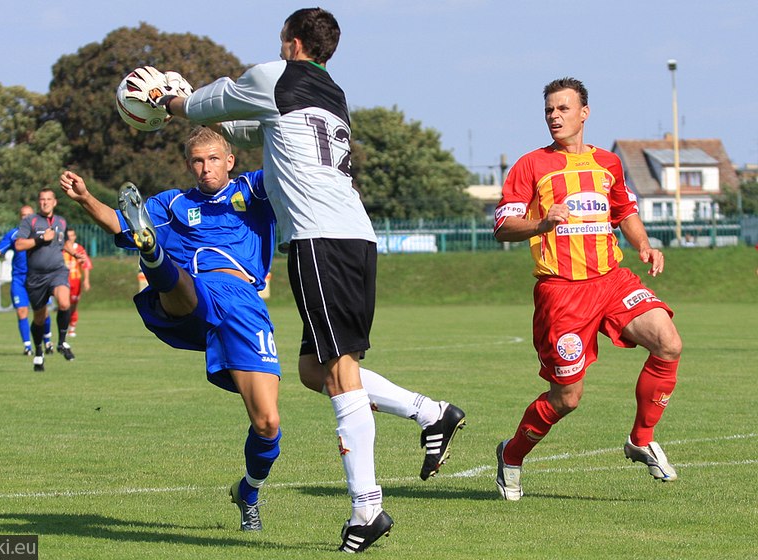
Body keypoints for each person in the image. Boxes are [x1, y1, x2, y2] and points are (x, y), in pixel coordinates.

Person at [123, 8, 465, 552]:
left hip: (319, 239)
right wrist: (188, 106)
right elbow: (245, 126)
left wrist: (168, 97)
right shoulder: (332, 94)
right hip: (354, 235)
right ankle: (432, 412)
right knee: (314, 370)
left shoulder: (271, 77)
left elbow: (197, 107)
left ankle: (366, 509)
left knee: (340, 369)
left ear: (292, 42)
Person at [60, 126, 281, 533]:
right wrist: (86, 198)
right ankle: (153, 252)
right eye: (197, 160)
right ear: (187, 165)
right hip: (193, 292)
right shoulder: (171, 203)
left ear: (230, 160)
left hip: (244, 305)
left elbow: (290, 163)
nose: (205, 168)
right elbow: (115, 221)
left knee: (267, 424)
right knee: (174, 275)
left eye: (214, 158)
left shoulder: (254, 189)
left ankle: (248, 490)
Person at [493, 77, 683, 501]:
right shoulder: (531, 166)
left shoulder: (608, 164)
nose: (555, 117)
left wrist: (644, 244)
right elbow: (503, 226)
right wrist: (541, 223)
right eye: (549, 111)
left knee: (668, 342)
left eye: (563, 109)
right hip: (561, 293)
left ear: (584, 113)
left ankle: (641, 438)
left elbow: (624, 210)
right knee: (567, 398)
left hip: (612, 280)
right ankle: (512, 454)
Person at [0, 205, 53, 355]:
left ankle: (47, 341)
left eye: (28, 215)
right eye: (23, 215)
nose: (25, 218)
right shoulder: (14, 234)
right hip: (19, 279)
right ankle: (27, 346)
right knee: (22, 311)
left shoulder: (43, 232)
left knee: (43, 313)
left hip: (39, 278)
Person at [14, 188, 77, 371]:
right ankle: (39, 352)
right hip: (36, 276)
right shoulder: (29, 221)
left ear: (55, 202)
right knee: (40, 318)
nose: (45, 202)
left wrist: (73, 252)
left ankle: (62, 342)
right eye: (42, 199)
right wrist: (41, 238)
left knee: (64, 303)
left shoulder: (61, 221)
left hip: (57, 271)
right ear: (38, 202)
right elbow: (19, 244)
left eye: (49, 199)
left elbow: (62, 242)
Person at [62, 227, 92, 337]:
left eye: (72, 236)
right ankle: (63, 328)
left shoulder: (79, 249)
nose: (70, 238)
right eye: (68, 236)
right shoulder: (62, 248)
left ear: (75, 237)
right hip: (63, 280)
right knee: (64, 304)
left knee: (73, 305)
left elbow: (86, 265)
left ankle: (72, 327)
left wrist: (86, 280)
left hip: (75, 281)